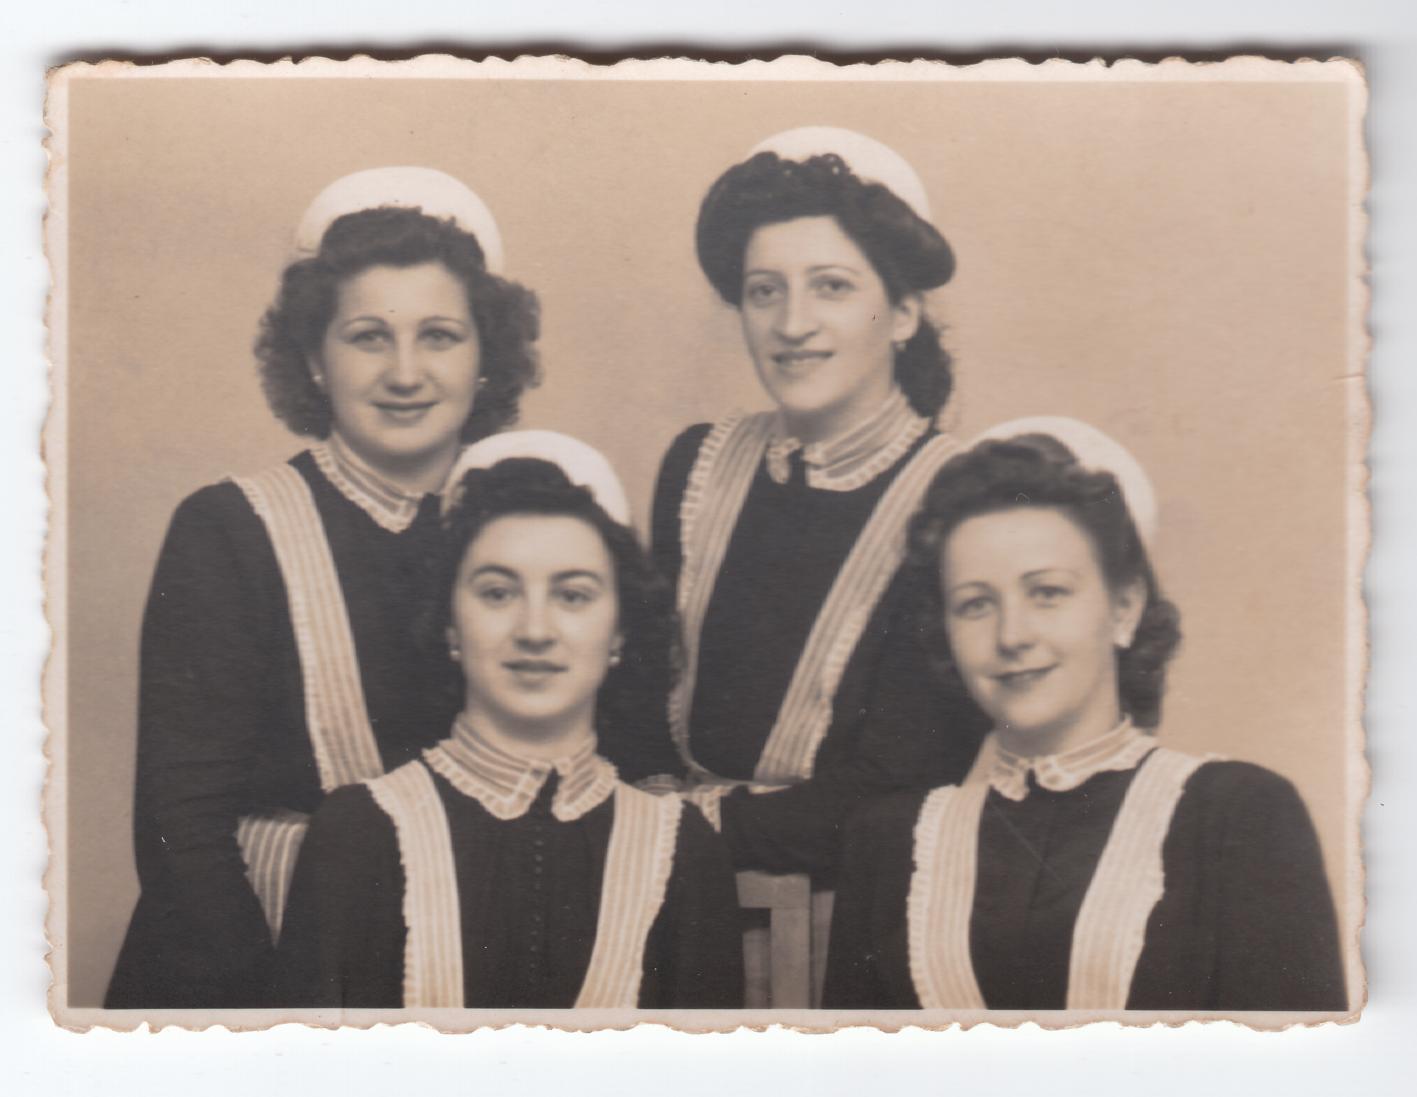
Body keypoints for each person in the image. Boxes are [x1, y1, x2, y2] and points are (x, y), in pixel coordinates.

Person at [106, 167, 542, 1008]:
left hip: (473, 964)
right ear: (312, 358)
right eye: (368, 337)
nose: (405, 372)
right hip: (259, 959)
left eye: (440, 336)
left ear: (487, 357)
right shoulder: (229, 529)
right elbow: (181, 829)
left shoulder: (530, 532)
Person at [823, 418, 1346, 1011]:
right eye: (975, 605)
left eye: (1047, 593)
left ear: (1124, 608)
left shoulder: (1236, 815)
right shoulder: (891, 841)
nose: (1012, 635)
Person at [277, 438, 744, 1008]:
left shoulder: (680, 849)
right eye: (497, 593)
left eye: (573, 596)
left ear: (620, 630)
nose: (535, 630)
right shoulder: (362, 831)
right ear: (449, 622)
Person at [649, 127, 990, 876]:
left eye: (831, 286)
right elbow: (631, 698)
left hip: (852, 898)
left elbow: (898, 781)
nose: (791, 324)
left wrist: (664, 829)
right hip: (668, 880)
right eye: (764, 291)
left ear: (904, 313)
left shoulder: (959, 500)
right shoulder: (698, 466)